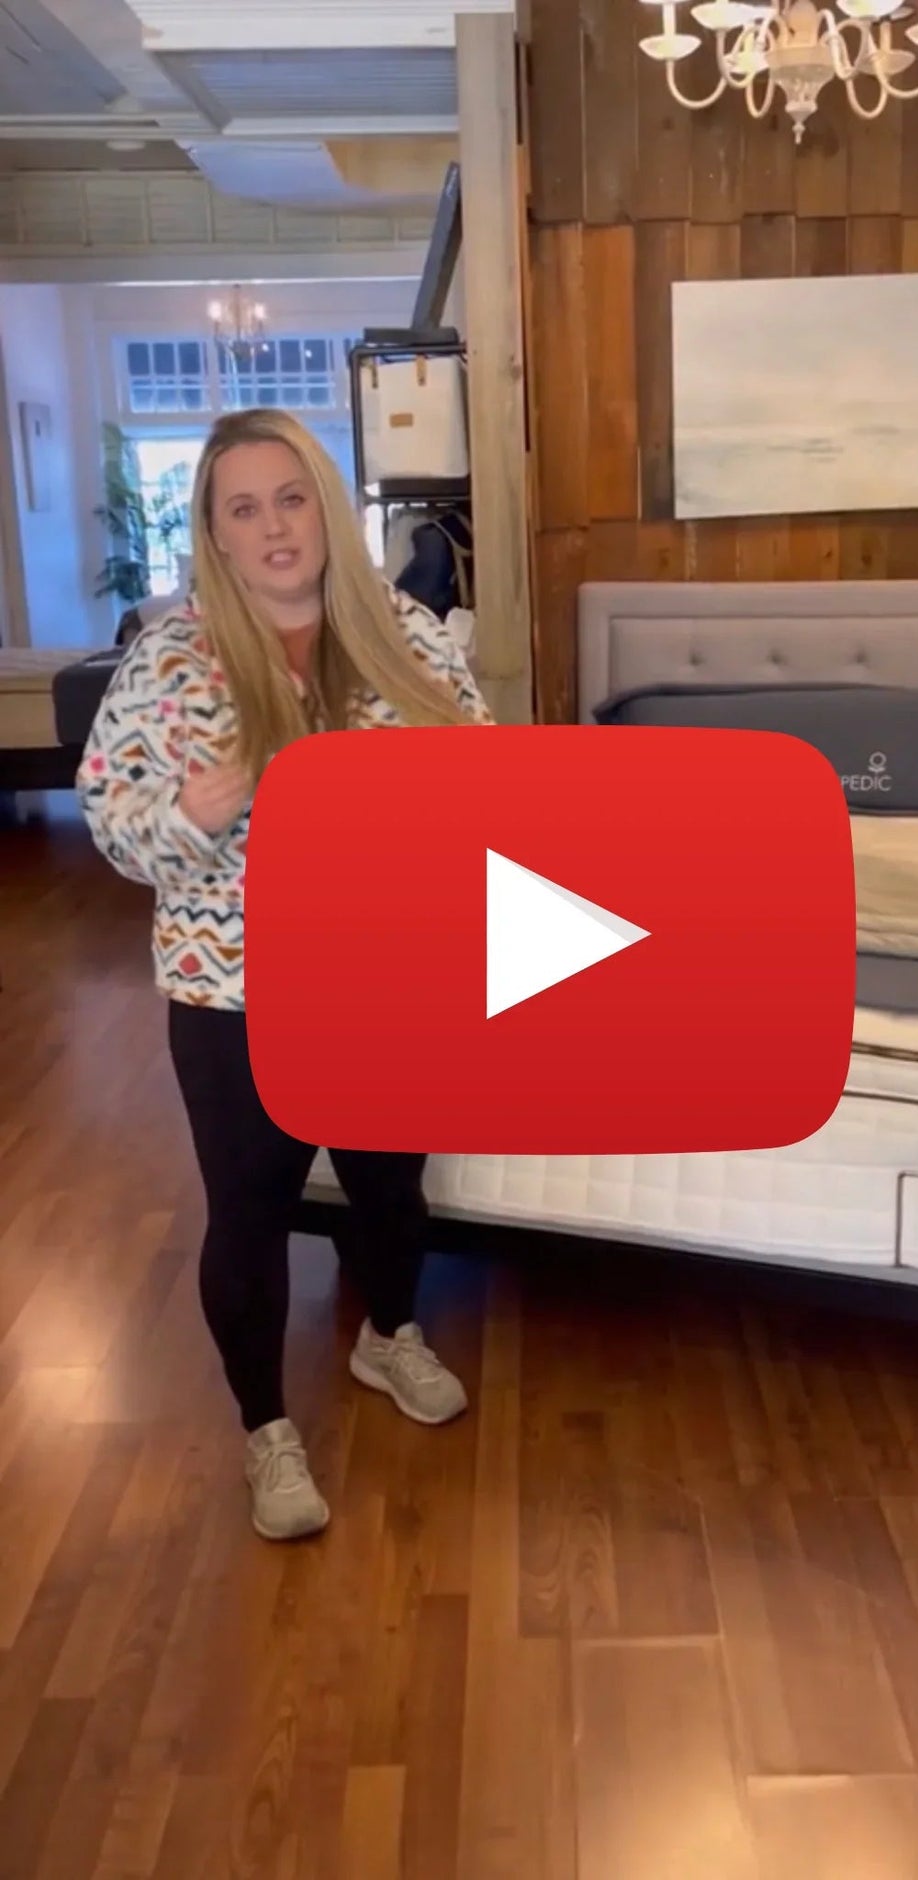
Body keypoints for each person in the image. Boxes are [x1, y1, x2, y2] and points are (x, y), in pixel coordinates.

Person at [77, 407, 493, 1543]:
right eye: (243, 508)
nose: (273, 527)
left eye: (291, 497)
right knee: (250, 1211)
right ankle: (266, 1427)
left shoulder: (410, 634)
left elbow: (482, 793)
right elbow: (112, 824)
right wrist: (191, 812)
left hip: (384, 982)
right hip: (232, 993)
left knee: (391, 1190)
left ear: (325, 506)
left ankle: (386, 1335)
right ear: (214, 533)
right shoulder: (168, 659)